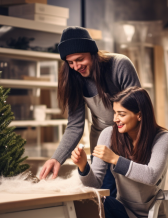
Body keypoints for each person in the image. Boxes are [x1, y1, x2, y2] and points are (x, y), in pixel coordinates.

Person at [71, 87, 168, 218]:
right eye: (115, 113)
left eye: (122, 114)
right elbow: (96, 185)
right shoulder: (108, 134)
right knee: (98, 201)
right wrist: (83, 167)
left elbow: (151, 176)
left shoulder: (162, 138)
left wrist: (116, 159)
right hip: (122, 214)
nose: (115, 118)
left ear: (140, 115)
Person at [39, 26, 141, 198]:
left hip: (131, 141)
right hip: (102, 144)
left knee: (132, 198)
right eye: (70, 62)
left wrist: (137, 147)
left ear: (93, 53)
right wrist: (56, 158)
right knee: (105, 196)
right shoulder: (73, 78)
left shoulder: (119, 65)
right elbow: (75, 126)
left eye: (80, 59)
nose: (76, 66)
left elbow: (139, 109)